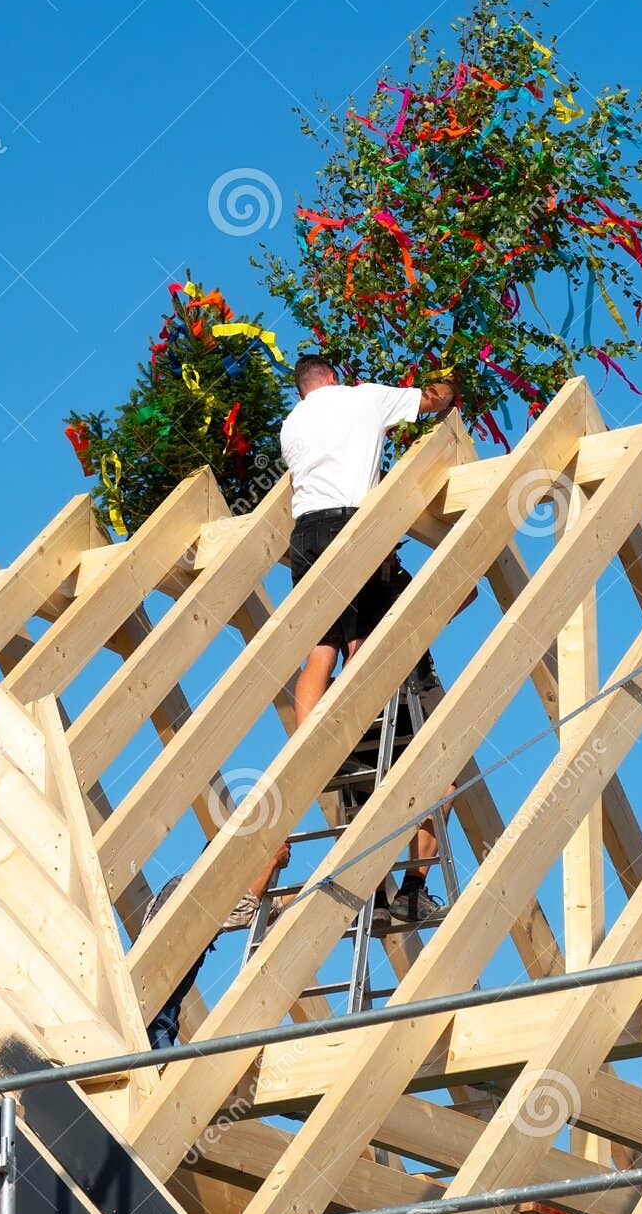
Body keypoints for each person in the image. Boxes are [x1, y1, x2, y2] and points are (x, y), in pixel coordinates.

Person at [281, 355, 459, 925]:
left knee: (323, 641)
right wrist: (452, 372)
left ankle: (312, 739)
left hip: (305, 533)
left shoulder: (292, 425)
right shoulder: (363, 397)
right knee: (366, 634)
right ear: (332, 377)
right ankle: (411, 888)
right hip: (352, 526)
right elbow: (432, 401)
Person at [142, 843, 290, 1051]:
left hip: (159, 1009)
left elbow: (267, 910)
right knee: (155, 1059)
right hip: (150, 1007)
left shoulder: (192, 890)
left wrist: (321, 881)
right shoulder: (191, 890)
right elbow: (245, 910)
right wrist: (272, 862)